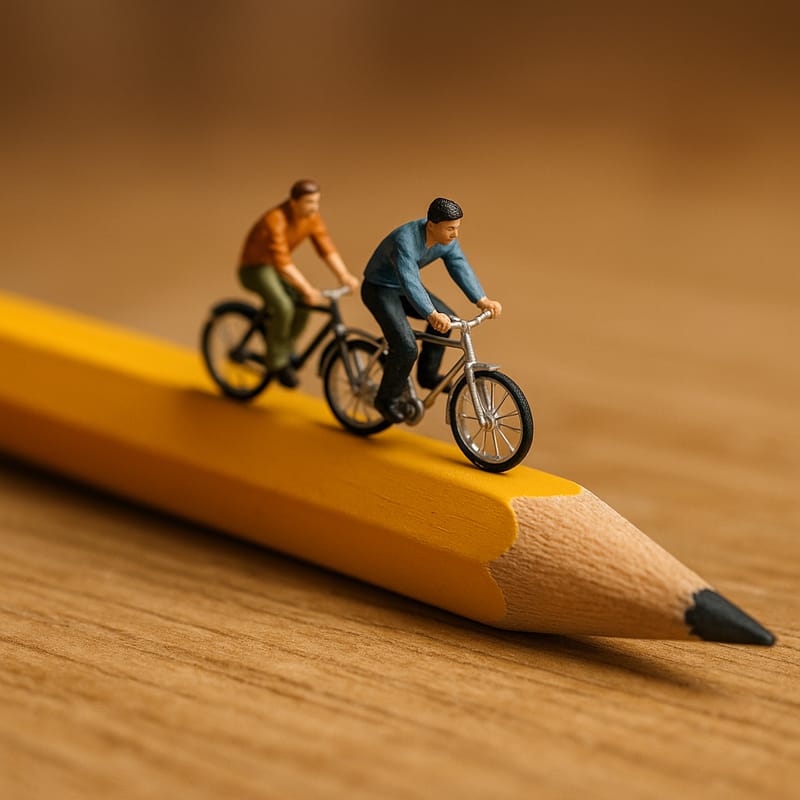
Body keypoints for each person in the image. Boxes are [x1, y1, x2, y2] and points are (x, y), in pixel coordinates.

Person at [361, 197, 502, 423]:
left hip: (402, 288)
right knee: (406, 347)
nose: (455, 234)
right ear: (431, 225)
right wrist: (431, 313)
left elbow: (459, 265)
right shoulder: (404, 241)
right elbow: (410, 280)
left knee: (449, 321)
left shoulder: (446, 240)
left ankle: (427, 375)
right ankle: (386, 399)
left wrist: (481, 299)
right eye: (450, 228)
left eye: (457, 228)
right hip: (379, 289)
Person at [238, 179, 359, 387]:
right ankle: (276, 361)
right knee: (284, 307)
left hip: (275, 268)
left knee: (304, 304)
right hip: (255, 269)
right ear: (294, 202)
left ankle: (286, 346)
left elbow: (325, 246)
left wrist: (343, 275)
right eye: (309, 202)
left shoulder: (311, 218)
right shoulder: (274, 220)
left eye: (316, 202)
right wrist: (307, 288)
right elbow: (282, 261)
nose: (314, 208)